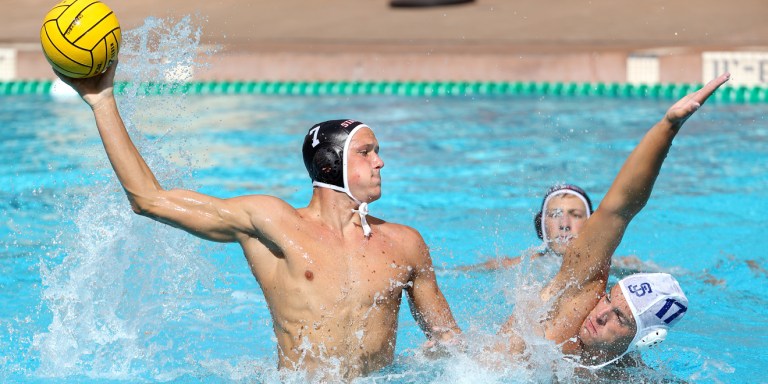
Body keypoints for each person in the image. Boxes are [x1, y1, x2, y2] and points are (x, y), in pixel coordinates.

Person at [53, 61, 461, 380]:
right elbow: (150, 200)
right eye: (367, 152)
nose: (380, 162)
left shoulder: (404, 242)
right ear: (329, 162)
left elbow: (449, 344)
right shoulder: (273, 223)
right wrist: (102, 100)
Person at [496, 73, 730, 369]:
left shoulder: (633, 375)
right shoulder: (560, 331)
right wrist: (667, 128)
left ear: (642, 338)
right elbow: (618, 210)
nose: (600, 313)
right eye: (608, 298)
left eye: (620, 317)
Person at [462, 184, 593, 271]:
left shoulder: (609, 268)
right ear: (541, 225)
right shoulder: (520, 266)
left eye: (575, 215)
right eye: (554, 215)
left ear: (592, 224)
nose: (564, 224)